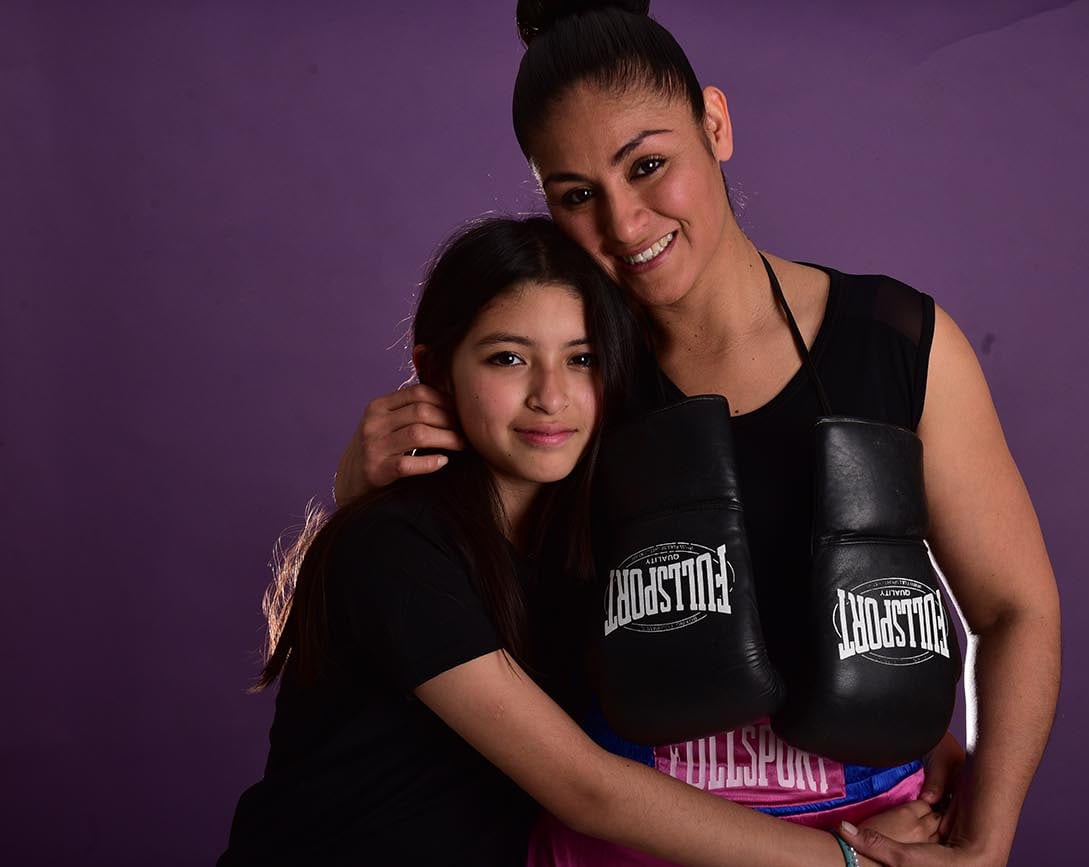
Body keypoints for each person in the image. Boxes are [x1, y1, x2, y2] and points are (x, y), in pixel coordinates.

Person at [334, 3, 1062, 864]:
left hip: (872, 828)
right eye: (576, 196)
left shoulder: (898, 340)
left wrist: (987, 836)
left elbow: (1016, 607)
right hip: (630, 834)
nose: (625, 224)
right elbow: (440, 586)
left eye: (648, 165)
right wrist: (359, 484)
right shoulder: (567, 383)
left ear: (714, 123)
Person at [220, 216, 941, 867]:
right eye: (508, 358)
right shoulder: (395, 546)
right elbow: (586, 788)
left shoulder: (589, 546)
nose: (550, 396)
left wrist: (917, 736)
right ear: (436, 369)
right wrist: (846, 863)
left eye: (582, 358)